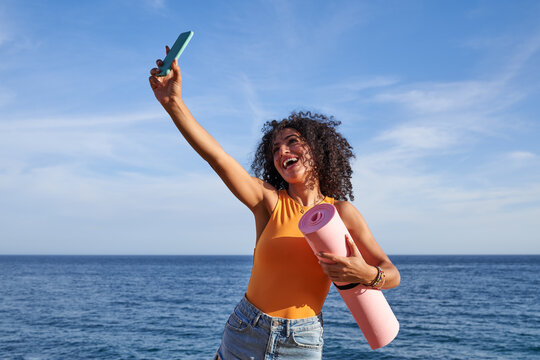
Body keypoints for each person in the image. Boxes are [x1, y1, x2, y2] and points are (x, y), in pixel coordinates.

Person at [149, 49, 400, 359]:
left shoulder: (343, 213)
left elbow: (391, 273)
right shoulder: (268, 202)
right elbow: (218, 158)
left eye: (292, 141)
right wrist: (173, 104)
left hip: (302, 340)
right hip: (246, 329)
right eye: (276, 149)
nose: (283, 151)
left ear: (316, 148)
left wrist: (365, 273)